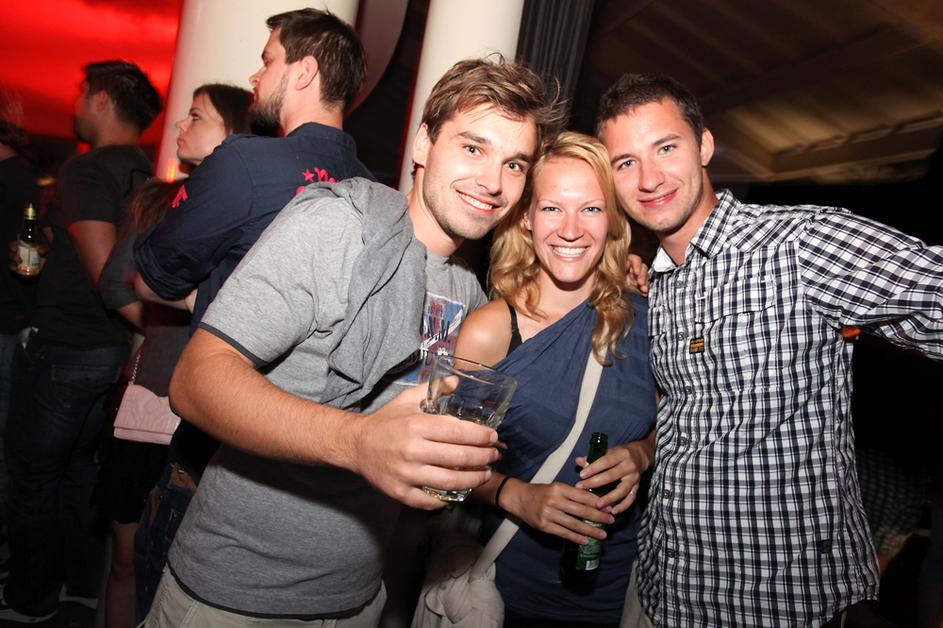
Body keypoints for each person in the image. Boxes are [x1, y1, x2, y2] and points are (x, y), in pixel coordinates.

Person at [143, 56, 561, 627]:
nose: (493, 182)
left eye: (514, 164)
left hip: (357, 598)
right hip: (237, 594)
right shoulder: (338, 226)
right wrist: (358, 443)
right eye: (472, 148)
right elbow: (195, 381)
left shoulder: (462, 286)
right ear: (423, 143)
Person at [596, 72, 943, 626]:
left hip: (782, 601)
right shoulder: (656, 285)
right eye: (626, 162)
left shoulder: (800, 243)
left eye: (666, 148)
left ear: (704, 145)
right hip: (671, 591)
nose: (649, 178)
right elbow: (683, 417)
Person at [131, 9, 372, 615]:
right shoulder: (377, 191)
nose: (255, 76)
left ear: (303, 73)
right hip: (310, 457)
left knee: (173, 598)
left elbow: (152, 273)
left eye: (268, 61)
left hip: (217, 433)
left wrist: (208, 284)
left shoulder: (245, 163)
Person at [454, 131, 657, 627]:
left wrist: (641, 454)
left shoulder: (647, 319)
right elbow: (448, 463)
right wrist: (516, 495)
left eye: (590, 209)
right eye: (551, 208)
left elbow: (673, 423)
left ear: (612, 219)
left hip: (624, 596)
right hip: (509, 595)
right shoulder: (490, 332)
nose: (570, 230)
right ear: (526, 216)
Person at [0, 60, 161, 624]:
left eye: (80, 93)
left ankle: (31, 597)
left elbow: (105, 274)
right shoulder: (145, 172)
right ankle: (78, 584)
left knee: (32, 475)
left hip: (68, 345)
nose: (73, 105)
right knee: (76, 472)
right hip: (108, 349)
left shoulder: (87, 170)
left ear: (100, 100)